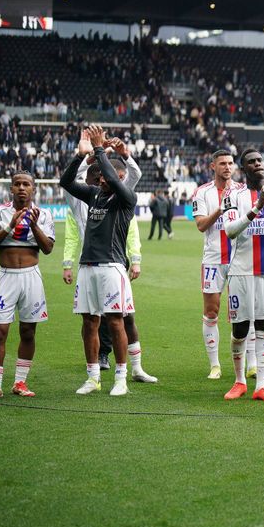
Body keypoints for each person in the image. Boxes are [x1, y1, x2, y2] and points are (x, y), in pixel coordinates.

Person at [63, 150, 156, 383]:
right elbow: (71, 234)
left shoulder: (123, 198)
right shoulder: (84, 199)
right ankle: (96, 369)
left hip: (113, 263)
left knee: (124, 319)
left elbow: (132, 230)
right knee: (91, 321)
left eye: (106, 177)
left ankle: (132, 370)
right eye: (98, 178)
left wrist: (135, 259)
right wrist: (83, 155)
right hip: (88, 266)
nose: (102, 181)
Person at [221, 148, 264, 402]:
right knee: (240, 329)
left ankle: (261, 386)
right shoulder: (233, 194)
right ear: (244, 168)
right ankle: (239, 381)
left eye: (260, 160)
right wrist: (255, 208)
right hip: (241, 271)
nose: (257, 164)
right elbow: (230, 230)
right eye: (251, 161)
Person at [0, 171, 55, 401]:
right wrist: (10, 226)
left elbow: (48, 248)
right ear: (11, 188)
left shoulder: (44, 215)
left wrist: (33, 226)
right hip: (6, 277)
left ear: (33, 189)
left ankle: (20, 382)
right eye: (17, 184)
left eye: (26, 184)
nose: (22, 187)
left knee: (28, 331)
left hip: (31, 277)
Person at [191, 149, 245, 379]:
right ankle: (215, 365)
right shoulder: (202, 192)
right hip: (213, 258)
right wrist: (220, 209)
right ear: (213, 166)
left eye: (230, 163)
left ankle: (248, 364)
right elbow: (201, 225)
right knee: (211, 311)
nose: (227, 167)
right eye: (222, 163)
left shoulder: (243, 191)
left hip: (240, 259)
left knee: (241, 313)